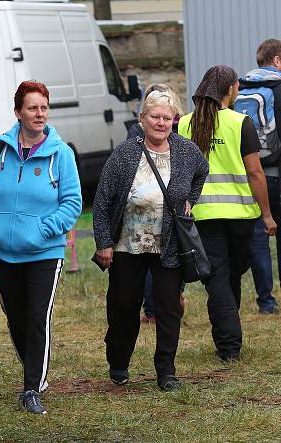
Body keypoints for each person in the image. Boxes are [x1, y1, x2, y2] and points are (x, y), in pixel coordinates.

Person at [0, 80, 82, 415]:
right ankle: (35, 367)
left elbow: (73, 202)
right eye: (32, 108)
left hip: (45, 252)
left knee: (36, 317)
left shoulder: (61, 153)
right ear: (18, 111)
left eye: (44, 108)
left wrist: (43, 230)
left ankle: (32, 387)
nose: (39, 114)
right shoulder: (0, 148)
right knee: (16, 318)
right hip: (4, 250)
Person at [94, 90, 208, 391]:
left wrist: (190, 202)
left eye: (166, 118)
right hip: (126, 245)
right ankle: (118, 361)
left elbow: (202, 172)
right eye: (155, 117)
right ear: (142, 119)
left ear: (175, 121)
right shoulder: (124, 153)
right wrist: (104, 242)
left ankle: (166, 370)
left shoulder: (186, 151)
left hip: (168, 245)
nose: (160, 123)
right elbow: (103, 201)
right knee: (123, 305)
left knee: (168, 307)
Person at [178, 65, 277, 362]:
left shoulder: (184, 124)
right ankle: (229, 346)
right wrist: (267, 214)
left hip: (203, 215)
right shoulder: (239, 122)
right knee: (225, 276)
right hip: (240, 216)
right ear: (230, 90)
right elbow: (255, 172)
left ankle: (227, 336)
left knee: (224, 276)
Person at [125, 83, 186, 323]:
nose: (160, 122)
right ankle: (165, 303)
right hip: (159, 203)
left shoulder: (137, 131)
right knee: (165, 256)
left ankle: (154, 310)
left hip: (154, 202)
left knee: (156, 255)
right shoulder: (181, 127)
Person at [242, 39, 281, 314]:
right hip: (278, 173)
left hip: (251, 174)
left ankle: (265, 301)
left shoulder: (240, 88)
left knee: (258, 238)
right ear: (277, 60)